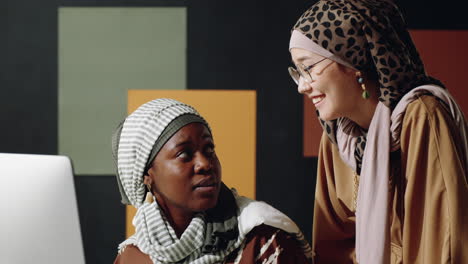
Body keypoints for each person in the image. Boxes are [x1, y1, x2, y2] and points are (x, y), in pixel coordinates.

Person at [288, 0, 468, 263]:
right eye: (298, 71)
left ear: (352, 59)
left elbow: (443, 244)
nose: (302, 86)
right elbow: (332, 247)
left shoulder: (421, 116)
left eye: (309, 67)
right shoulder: (337, 136)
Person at [111, 98, 312, 264]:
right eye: (184, 154)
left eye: (209, 150)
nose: (205, 164)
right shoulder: (133, 256)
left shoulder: (263, 241)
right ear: (147, 174)